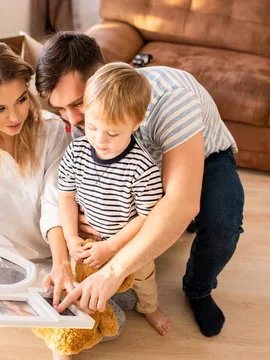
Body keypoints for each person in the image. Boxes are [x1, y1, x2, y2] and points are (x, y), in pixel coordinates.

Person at [0, 41, 125, 360]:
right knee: (93, 322)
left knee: (109, 323)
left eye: (22, 100)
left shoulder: (51, 130)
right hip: (12, 270)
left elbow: (56, 200)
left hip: (63, 249)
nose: (14, 117)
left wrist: (62, 262)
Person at [38, 32, 245, 338]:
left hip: (203, 159)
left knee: (221, 222)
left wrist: (112, 270)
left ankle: (198, 288)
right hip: (138, 178)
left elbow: (182, 202)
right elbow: (68, 187)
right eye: (61, 109)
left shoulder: (171, 99)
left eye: (77, 104)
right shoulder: (85, 122)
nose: (73, 120)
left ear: (101, 77)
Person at [58, 62, 172, 336]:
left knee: (144, 277)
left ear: (136, 123)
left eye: (112, 133)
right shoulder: (78, 150)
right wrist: (71, 237)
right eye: (93, 126)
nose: (100, 139)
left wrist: (112, 246)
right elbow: (66, 196)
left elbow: (146, 218)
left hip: (128, 244)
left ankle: (149, 308)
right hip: (88, 241)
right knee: (76, 282)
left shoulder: (142, 167)